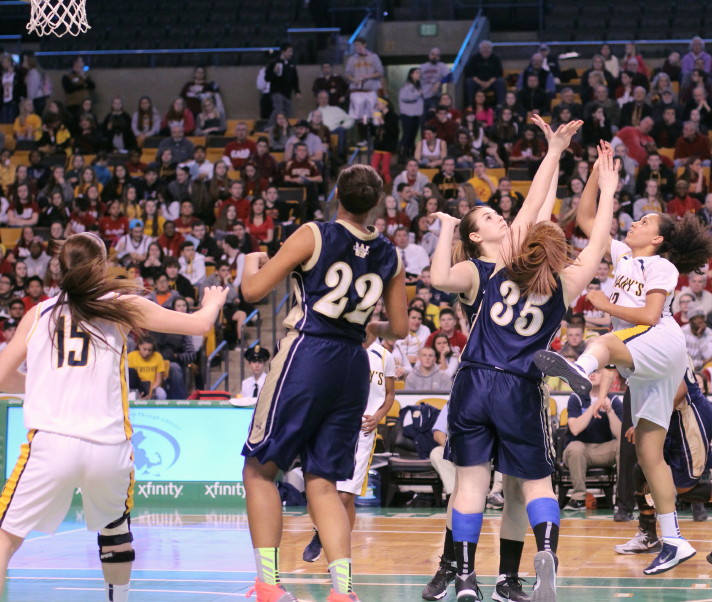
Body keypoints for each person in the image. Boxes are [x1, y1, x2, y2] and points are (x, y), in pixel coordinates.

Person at [0, 231, 227, 600]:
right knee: (115, 532)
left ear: (60, 268)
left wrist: (43, 383)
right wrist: (213, 301)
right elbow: (201, 325)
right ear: (102, 266)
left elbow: (2, 377)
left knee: (5, 540)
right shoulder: (121, 305)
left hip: (52, 443)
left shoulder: (38, 313)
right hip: (109, 447)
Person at [447, 120, 614, 601]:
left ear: (524, 242)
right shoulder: (567, 284)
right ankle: (544, 556)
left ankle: (465, 578)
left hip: (474, 379)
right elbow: (598, 240)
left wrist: (554, 151)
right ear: (559, 254)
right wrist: (607, 189)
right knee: (537, 484)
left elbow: (535, 200)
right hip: (519, 386)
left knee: (470, 485)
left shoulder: (502, 259)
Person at [535, 142, 712, 575]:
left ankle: (579, 369)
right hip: (646, 365)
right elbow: (586, 218)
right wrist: (597, 174)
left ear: (659, 239)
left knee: (606, 341)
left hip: (659, 340)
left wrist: (604, 303)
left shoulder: (662, 267)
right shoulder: (622, 255)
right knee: (649, 454)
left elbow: (651, 316)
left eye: (645, 221)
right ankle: (673, 540)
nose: (635, 222)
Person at [422, 121, 576, 602]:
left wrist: (554, 157)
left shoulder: (521, 259)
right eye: (488, 216)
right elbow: (439, 277)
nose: (500, 218)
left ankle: (504, 577)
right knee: (471, 485)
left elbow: (540, 209)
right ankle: (452, 567)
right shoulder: (476, 268)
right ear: (475, 234)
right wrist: (446, 229)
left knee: (503, 489)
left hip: (497, 381)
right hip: (495, 378)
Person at [240, 164, 408, 602]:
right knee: (324, 482)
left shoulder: (314, 234)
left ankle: (269, 585)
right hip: (352, 363)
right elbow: (400, 327)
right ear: (376, 203)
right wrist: (369, 324)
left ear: (336, 194)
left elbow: (253, 291)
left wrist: (249, 263)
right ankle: (343, 592)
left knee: (259, 469)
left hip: (308, 353)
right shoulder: (391, 254)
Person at [302, 341, 395, 562]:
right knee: (319, 490)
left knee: (345, 495)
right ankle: (328, 540)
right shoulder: (338, 346)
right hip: (333, 426)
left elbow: (390, 394)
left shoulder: (384, 356)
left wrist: (378, 416)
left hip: (364, 431)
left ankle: (330, 545)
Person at [614, 367, 712, 555]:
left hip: (688, 419)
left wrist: (647, 420)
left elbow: (680, 391)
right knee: (644, 468)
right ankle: (648, 537)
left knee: (684, 489)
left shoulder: (664, 351)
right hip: (671, 417)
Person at [562, 370, 623, 510]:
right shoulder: (576, 397)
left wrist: (610, 411)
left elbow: (620, 435)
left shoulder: (613, 400)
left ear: (606, 377)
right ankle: (578, 498)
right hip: (578, 449)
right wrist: (593, 406)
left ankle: (622, 498)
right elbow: (575, 429)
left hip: (603, 450)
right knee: (576, 447)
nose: (593, 374)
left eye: (597, 372)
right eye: (590, 371)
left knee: (623, 445)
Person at [266, 43, 301, 123]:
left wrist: (297, 91)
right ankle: (269, 126)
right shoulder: (274, 63)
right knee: (278, 109)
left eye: (291, 51)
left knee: (288, 113)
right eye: (289, 51)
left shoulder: (291, 64)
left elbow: (295, 79)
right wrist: (274, 72)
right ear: (283, 52)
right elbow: (267, 78)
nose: (291, 54)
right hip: (277, 91)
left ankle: (287, 127)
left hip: (287, 93)